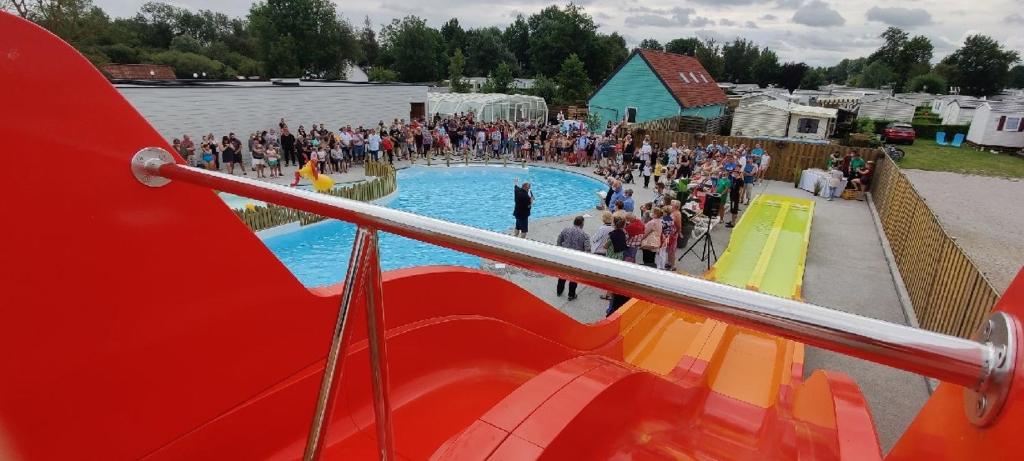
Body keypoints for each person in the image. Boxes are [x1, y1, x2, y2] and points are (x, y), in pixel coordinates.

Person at [556, 216, 591, 301]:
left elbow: (558, 241)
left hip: (565, 256)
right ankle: (571, 295)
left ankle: (559, 291)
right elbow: (587, 250)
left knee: (562, 274)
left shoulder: (565, 230)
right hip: (576, 259)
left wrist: (560, 250)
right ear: (582, 224)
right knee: (574, 277)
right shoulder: (585, 235)